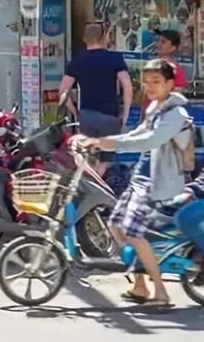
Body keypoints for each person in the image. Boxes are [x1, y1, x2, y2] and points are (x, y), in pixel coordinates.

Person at [81, 59, 193, 308]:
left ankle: (161, 293)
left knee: (133, 231)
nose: (150, 87)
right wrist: (100, 140)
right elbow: (136, 134)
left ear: (170, 84)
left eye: (157, 81)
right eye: (147, 81)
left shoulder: (176, 114)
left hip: (160, 182)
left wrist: (108, 143)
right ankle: (140, 286)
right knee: (115, 225)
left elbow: (151, 140)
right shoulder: (155, 108)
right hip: (142, 178)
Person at [60, 23, 133, 175]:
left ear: (84, 39)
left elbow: (63, 90)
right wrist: (125, 113)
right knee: (106, 157)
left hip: (86, 115)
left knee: (88, 156)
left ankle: (91, 183)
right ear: (104, 37)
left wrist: (74, 111)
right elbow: (127, 86)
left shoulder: (77, 61)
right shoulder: (114, 59)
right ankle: (100, 184)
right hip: (110, 116)